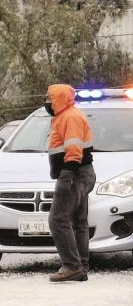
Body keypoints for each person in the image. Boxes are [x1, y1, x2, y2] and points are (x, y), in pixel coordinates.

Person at [46, 84, 96, 282]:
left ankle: (72, 266)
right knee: (78, 222)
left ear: (59, 98)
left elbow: (74, 149)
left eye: (50, 97)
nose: (47, 102)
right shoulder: (65, 115)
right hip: (79, 173)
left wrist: (66, 175)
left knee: (57, 219)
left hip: (74, 174)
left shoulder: (70, 117)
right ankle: (80, 266)